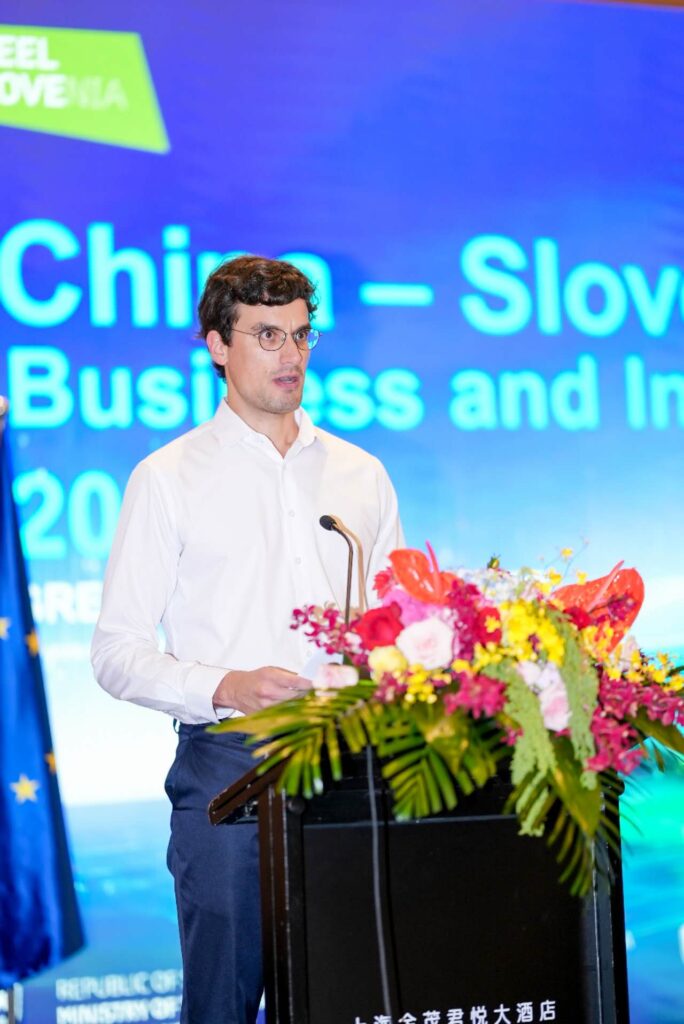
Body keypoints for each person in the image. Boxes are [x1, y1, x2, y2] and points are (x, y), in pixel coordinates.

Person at [91, 255, 404, 1024]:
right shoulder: (168, 478)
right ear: (217, 345)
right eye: (267, 335)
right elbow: (116, 653)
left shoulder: (361, 474)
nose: (290, 355)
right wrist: (224, 685)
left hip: (352, 766)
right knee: (224, 1008)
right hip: (229, 769)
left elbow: (397, 625)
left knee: (355, 997)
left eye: (301, 334)